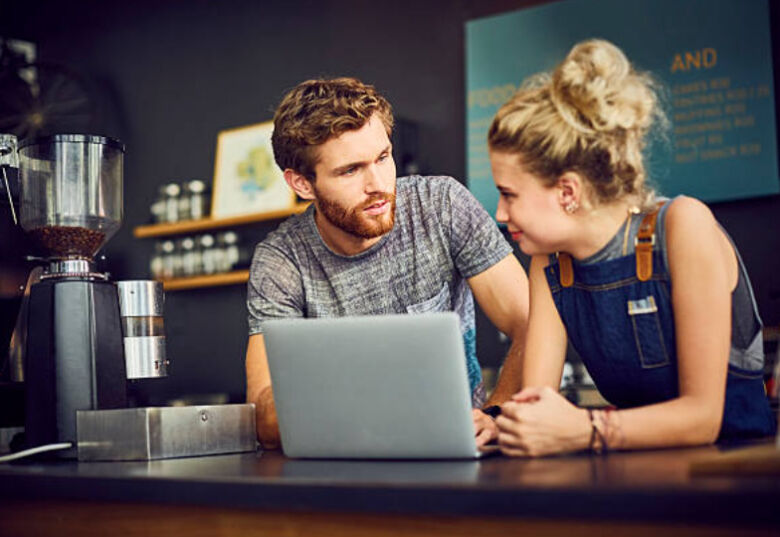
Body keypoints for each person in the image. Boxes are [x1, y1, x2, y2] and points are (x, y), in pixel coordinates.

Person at [487, 39, 776, 457]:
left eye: (509, 194)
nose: (500, 213)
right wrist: (499, 422)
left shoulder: (682, 226)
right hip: (634, 478)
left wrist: (585, 428)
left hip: (730, 484)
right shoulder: (548, 262)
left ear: (568, 190)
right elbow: (536, 404)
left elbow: (703, 416)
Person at [246, 77, 530, 448]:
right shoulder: (281, 260)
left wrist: (496, 416)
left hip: (459, 454)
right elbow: (263, 416)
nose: (378, 184)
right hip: (341, 468)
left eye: (383, 157)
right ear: (302, 184)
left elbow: (531, 325)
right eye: (350, 170)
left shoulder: (442, 205)